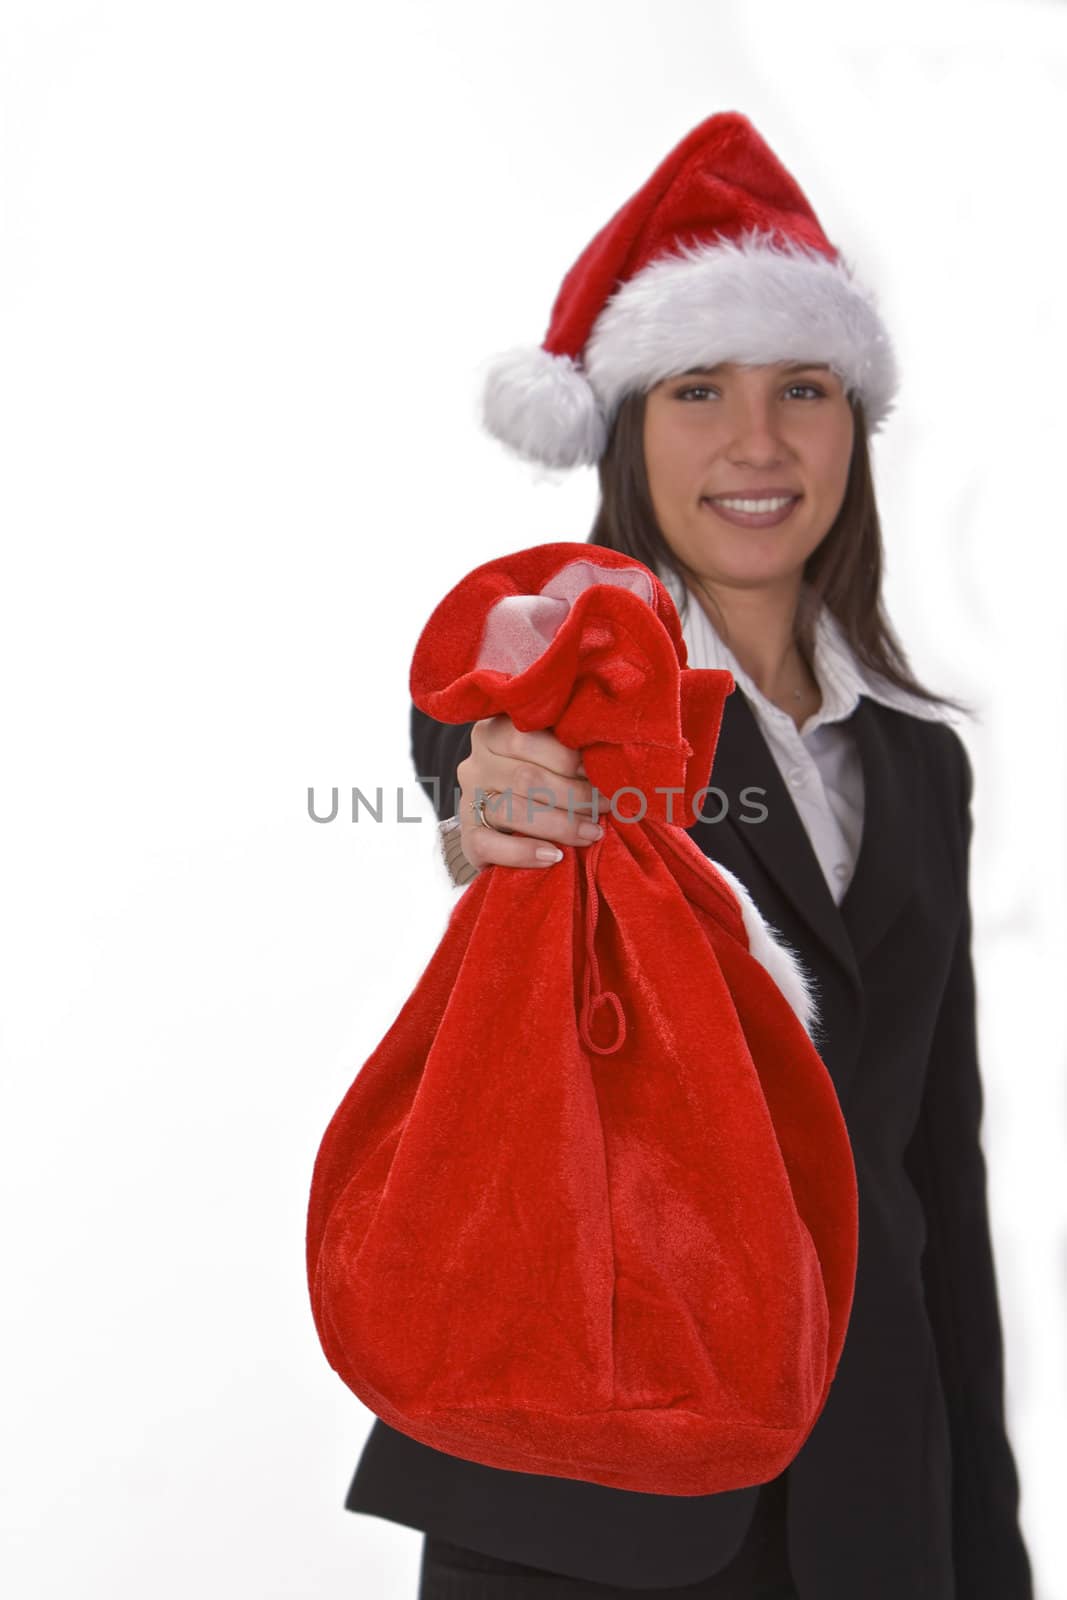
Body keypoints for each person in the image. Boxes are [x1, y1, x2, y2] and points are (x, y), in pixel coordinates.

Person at [344, 112, 1034, 1598]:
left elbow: (934, 1175)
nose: (758, 443)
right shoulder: (562, 683)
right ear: (621, 431)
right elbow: (467, 747)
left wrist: (989, 1540)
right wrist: (480, 799)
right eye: (697, 391)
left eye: (804, 390)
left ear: (856, 423)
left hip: (871, 1498)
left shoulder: (919, 761)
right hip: (585, 1488)